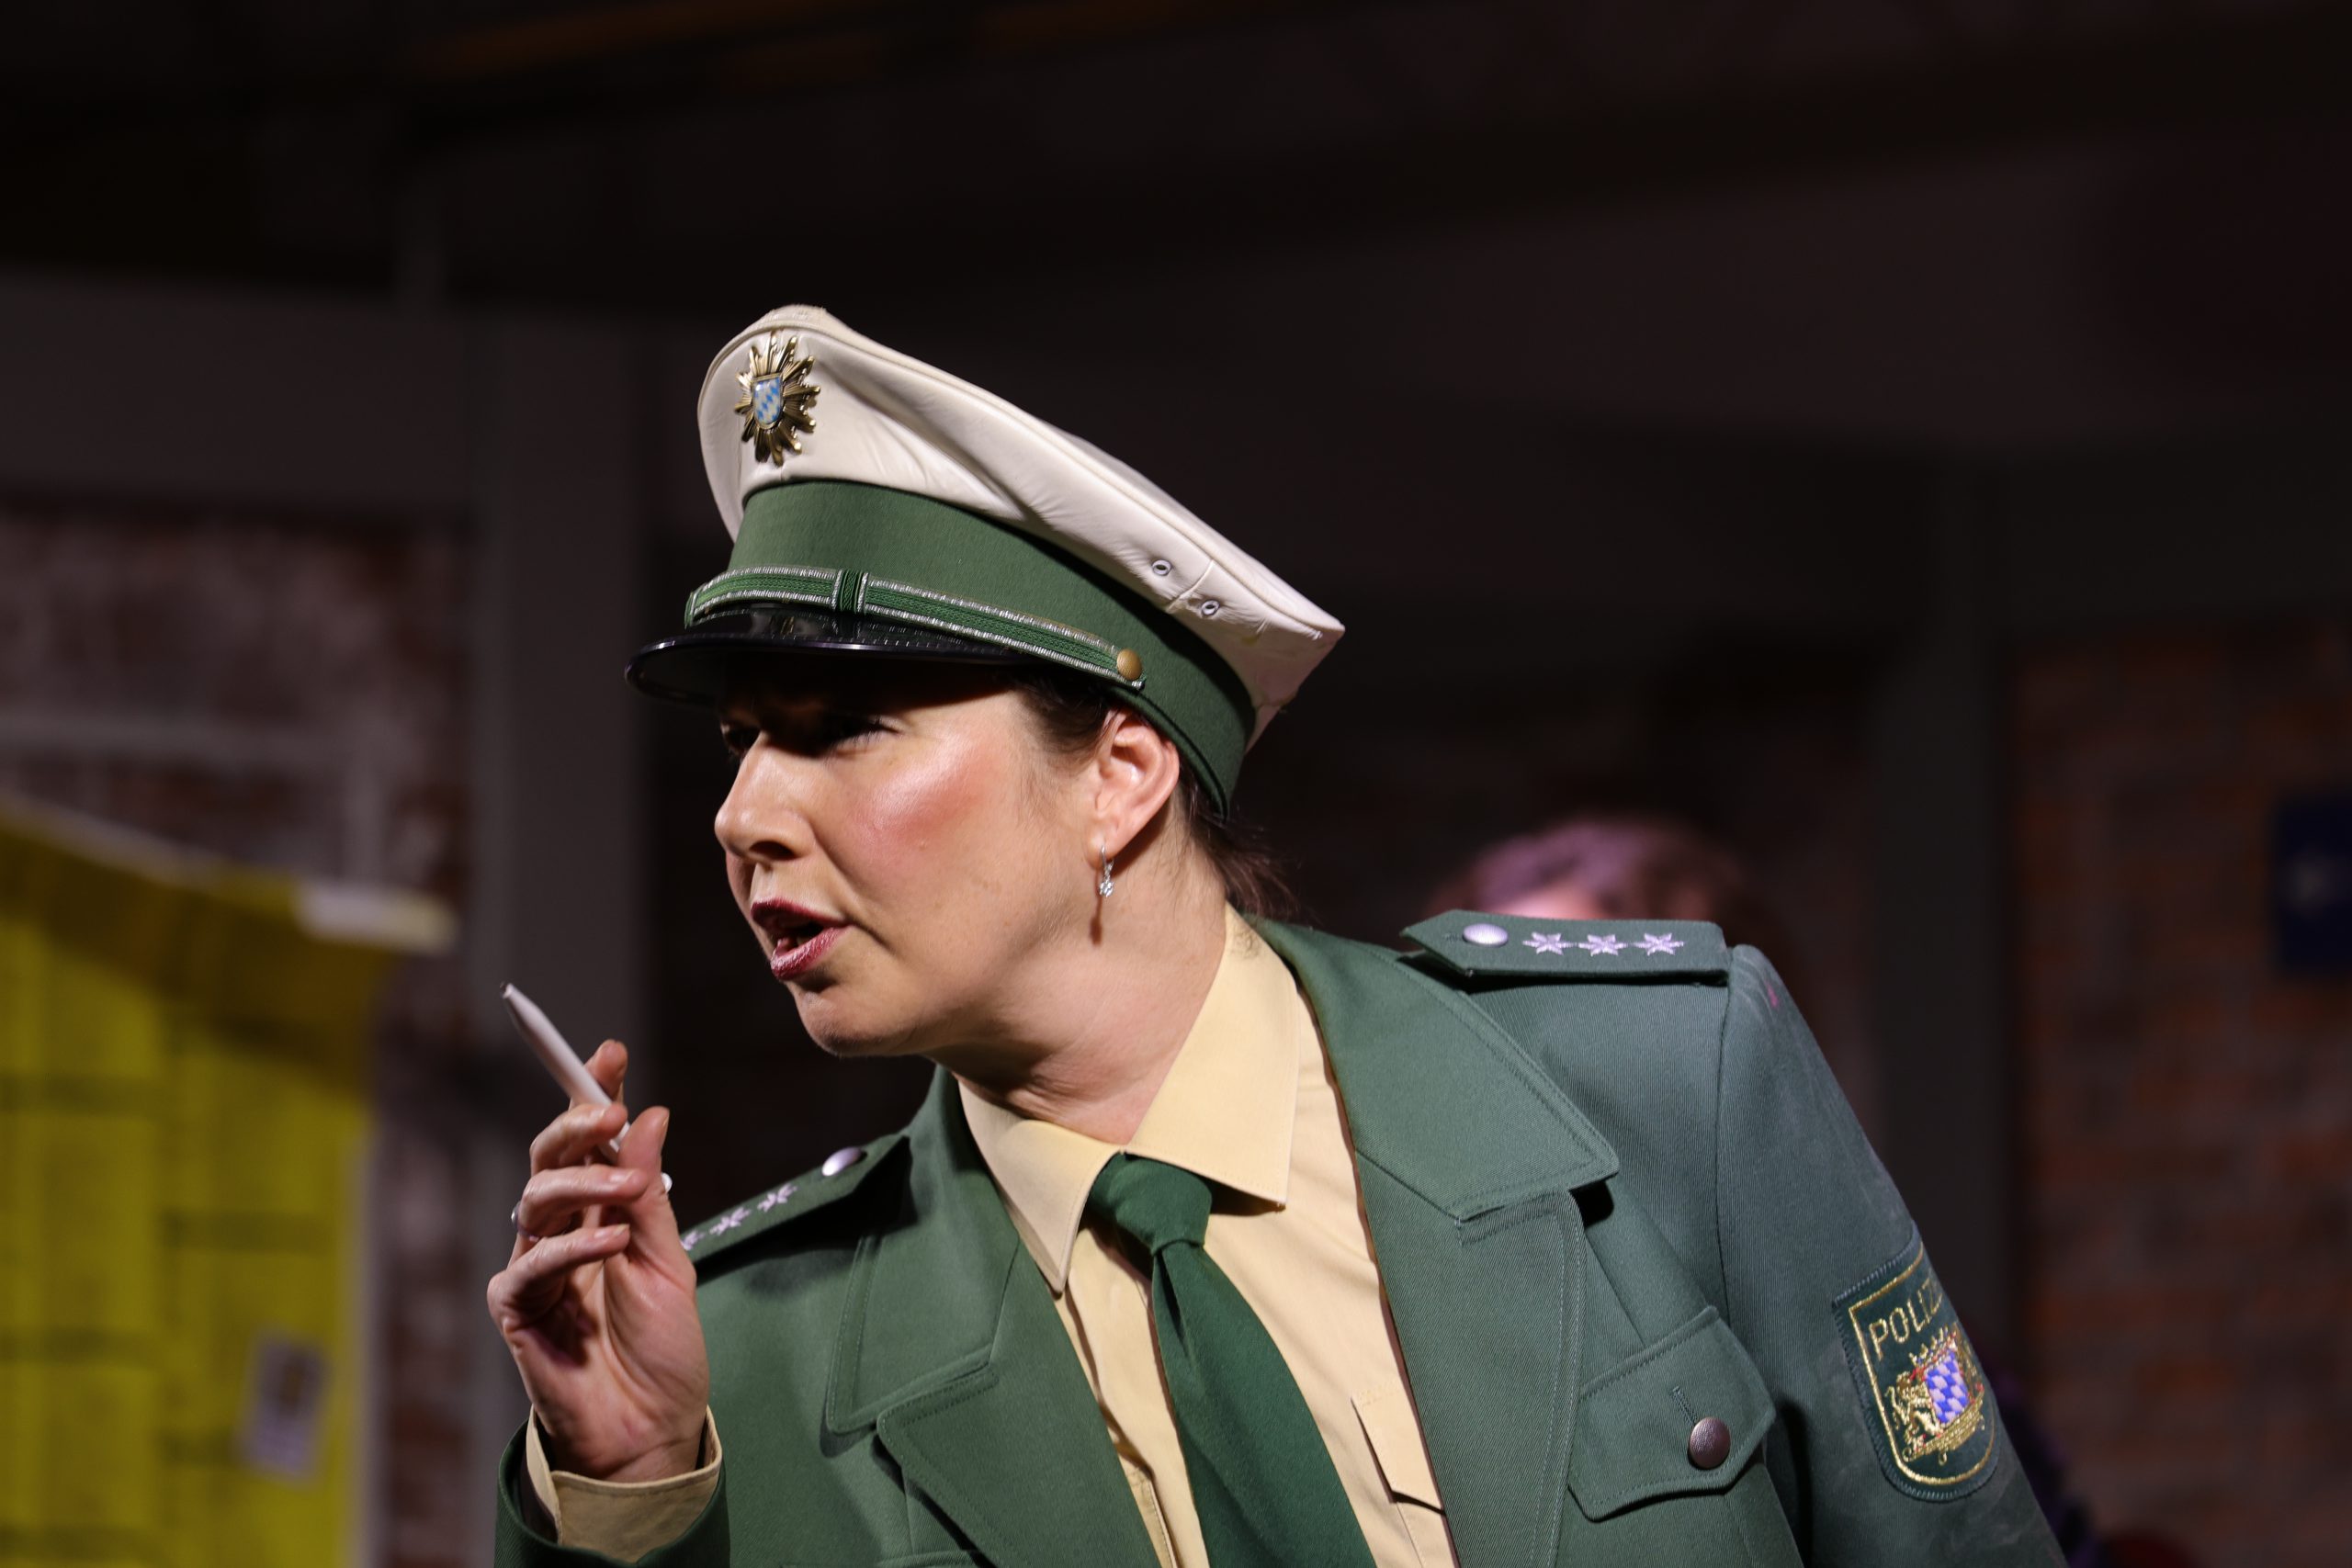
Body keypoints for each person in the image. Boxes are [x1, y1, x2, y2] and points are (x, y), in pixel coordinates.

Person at [486, 306, 2064, 1568]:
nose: (744, 814)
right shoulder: (746, 1356)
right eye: (740, 744)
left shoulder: (1660, 1085)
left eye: (841, 728)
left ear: (1121, 774)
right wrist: (631, 1499)